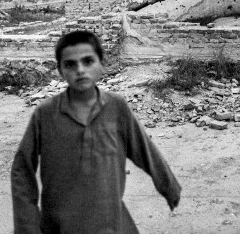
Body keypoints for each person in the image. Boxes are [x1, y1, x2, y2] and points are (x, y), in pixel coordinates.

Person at [11, 30, 181, 233]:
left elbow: (144, 149)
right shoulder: (45, 114)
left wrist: (168, 186)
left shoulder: (116, 108)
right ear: (60, 70)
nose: (80, 70)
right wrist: (27, 224)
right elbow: (22, 168)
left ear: (102, 63)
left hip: (109, 220)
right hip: (59, 223)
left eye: (88, 61)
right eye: (70, 64)